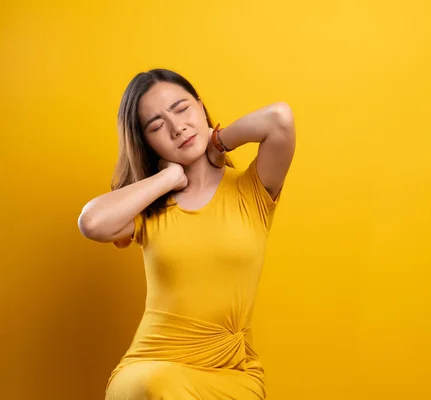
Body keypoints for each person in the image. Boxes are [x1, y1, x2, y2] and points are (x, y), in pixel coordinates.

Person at [77, 68, 296, 399]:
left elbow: (280, 118)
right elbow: (91, 222)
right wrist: (167, 180)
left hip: (232, 372)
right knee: (159, 387)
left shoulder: (251, 190)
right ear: (146, 141)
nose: (177, 127)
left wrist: (218, 143)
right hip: (151, 367)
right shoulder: (148, 210)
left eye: (181, 109)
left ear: (199, 105)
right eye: (156, 125)